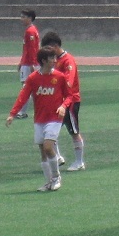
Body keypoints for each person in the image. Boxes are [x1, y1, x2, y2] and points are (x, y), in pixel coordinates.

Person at [4, 45, 76, 191]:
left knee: (49, 147)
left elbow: (70, 95)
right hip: (39, 119)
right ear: (43, 61)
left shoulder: (59, 77)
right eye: (52, 58)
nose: (55, 61)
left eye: (55, 57)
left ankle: (56, 178)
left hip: (54, 119)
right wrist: (12, 113)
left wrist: (63, 106)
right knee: (43, 151)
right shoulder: (33, 78)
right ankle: (48, 181)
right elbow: (23, 96)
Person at [42, 31, 86, 171]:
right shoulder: (54, 60)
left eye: (48, 48)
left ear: (54, 46)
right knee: (49, 130)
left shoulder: (68, 60)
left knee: (73, 131)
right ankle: (58, 157)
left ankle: (79, 162)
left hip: (70, 101)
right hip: (58, 102)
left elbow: (69, 82)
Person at [14, 9, 39, 118]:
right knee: (31, 88)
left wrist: (33, 64)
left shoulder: (30, 31)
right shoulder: (31, 30)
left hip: (29, 64)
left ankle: (22, 112)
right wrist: (21, 61)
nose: (21, 19)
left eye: (23, 17)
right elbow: (27, 49)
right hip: (27, 62)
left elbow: (33, 49)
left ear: (30, 18)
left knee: (26, 88)